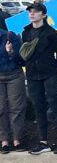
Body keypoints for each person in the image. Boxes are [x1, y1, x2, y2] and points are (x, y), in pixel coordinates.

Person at [21, 0, 57, 154]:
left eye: (35, 11)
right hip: (32, 74)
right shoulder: (26, 32)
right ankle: (43, 142)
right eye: (30, 11)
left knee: (56, 105)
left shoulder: (52, 33)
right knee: (38, 107)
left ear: (43, 15)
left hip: (50, 73)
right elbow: (25, 52)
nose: (31, 13)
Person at [0, 21, 27, 152]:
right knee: (1, 108)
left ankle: (17, 139)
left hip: (14, 74)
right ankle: (4, 140)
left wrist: (10, 52)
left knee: (16, 107)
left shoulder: (10, 36)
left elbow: (21, 59)